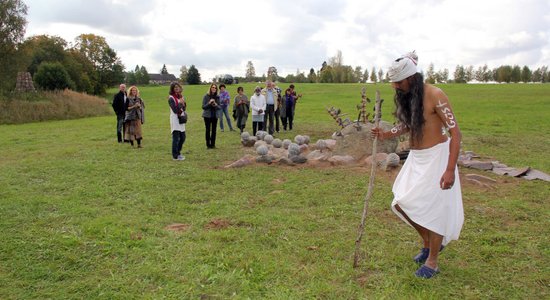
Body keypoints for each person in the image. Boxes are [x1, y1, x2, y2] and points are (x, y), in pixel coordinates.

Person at [371, 52, 463, 279]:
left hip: (437, 158)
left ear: (411, 78)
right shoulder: (409, 96)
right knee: (401, 203)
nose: (396, 87)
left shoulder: (436, 95)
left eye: (399, 82)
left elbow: (456, 132)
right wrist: (385, 134)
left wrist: (450, 169)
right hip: (416, 159)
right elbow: (407, 125)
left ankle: (432, 261)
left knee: (434, 210)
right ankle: (428, 242)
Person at [168, 82, 187, 161]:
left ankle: (178, 152)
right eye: (175, 87)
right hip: (175, 120)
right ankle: (175, 156)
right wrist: (180, 103)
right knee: (176, 138)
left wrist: (183, 104)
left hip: (181, 119)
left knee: (183, 137)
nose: (176, 88)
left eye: (178, 87)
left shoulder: (181, 97)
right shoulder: (171, 98)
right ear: (172, 89)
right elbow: (175, 110)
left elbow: (184, 109)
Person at [202, 83, 220, 149]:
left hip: (215, 116)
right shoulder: (206, 96)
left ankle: (213, 144)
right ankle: (208, 145)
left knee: (214, 131)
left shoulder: (218, 97)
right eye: (213, 87)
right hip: (207, 116)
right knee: (208, 130)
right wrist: (209, 103)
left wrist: (215, 104)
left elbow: (219, 107)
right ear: (210, 88)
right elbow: (203, 107)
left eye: (215, 88)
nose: (214, 89)